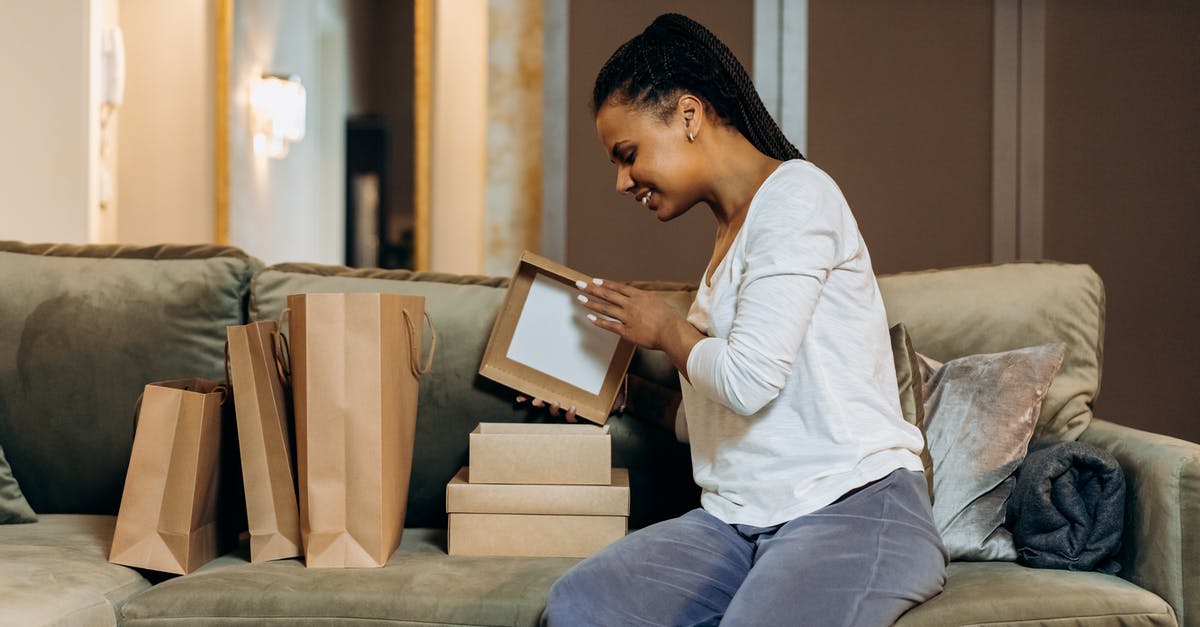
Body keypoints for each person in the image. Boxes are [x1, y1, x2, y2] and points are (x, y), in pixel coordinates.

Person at [537, 13, 947, 627]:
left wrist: (666, 328)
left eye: (627, 156)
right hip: (738, 521)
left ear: (689, 115)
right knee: (579, 606)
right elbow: (730, 418)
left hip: (853, 507)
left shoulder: (797, 197)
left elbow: (749, 381)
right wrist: (629, 398)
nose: (621, 182)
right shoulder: (729, 236)